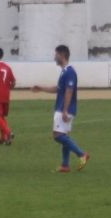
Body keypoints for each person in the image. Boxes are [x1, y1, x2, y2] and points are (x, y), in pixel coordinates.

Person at [31, 45, 90, 173]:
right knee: (64, 136)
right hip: (65, 108)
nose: (54, 57)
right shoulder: (64, 72)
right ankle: (65, 165)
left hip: (64, 109)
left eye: (56, 54)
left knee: (57, 136)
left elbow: (69, 90)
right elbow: (58, 89)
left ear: (63, 55)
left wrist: (64, 110)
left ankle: (82, 154)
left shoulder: (69, 72)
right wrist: (41, 88)